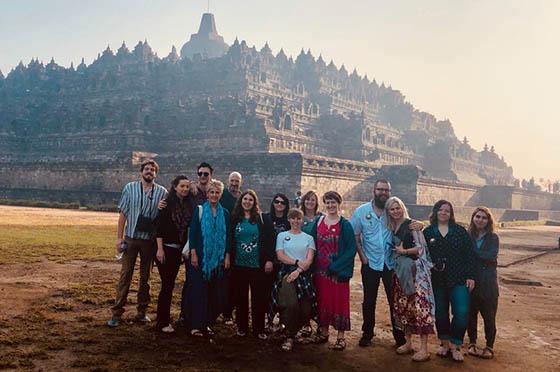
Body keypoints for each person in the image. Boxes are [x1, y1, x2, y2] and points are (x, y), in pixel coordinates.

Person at [351, 179, 422, 347]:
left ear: (389, 192)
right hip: (370, 262)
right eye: (380, 190)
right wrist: (362, 256)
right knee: (369, 300)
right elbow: (355, 235)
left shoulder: (392, 211)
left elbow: (407, 223)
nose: (383, 193)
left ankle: (399, 336)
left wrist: (420, 224)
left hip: (391, 263)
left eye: (386, 190)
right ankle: (367, 334)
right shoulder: (362, 211)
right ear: (374, 190)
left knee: (394, 301)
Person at [108, 159, 167, 327]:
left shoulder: (162, 192)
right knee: (125, 275)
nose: (149, 172)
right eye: (146, 169)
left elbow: (163, 218)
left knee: (145, 278)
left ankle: (141, 311)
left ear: (156, 173)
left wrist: (163, 207)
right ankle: (117, 312)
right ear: (141, 171)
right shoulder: (130, 188)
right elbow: (123, 214)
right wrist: (119, 238)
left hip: (149, 241)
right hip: (131, 238)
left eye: (152, 170)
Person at [423, 200, 475, 362]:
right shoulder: (428, 232)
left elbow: (469, 255)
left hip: (458, 277)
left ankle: (456, 344)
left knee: (461, 312)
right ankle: (445, 343)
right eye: (441, 210)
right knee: (440, 313)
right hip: (437, 279)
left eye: (447, 210)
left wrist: (470, 276)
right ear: (436, 212)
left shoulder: (459, 231)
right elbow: (422, 254)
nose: (443, 213)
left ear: (451, 214)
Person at [385, 197, 435, 362]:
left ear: (402, 207)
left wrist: (404, 251)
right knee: (404, 308)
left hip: (416, 275)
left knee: (420, 309)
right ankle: (408, 343)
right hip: (400, 273)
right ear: (388, 212)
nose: (395, 211)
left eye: (397, 208)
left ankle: (424, 349)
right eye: (392, 209)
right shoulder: (391, 227)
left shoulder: (412, 225)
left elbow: (421, 249)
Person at [310, 191, 356, 350]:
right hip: (320, 272)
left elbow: (351, 249)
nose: (330, 205)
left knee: (339, 302)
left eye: (333, 202)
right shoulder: (318, 221)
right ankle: (323, 332)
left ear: (338, 203)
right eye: (327, 202)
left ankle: (341, 337)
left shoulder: (345, 224)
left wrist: (335, 267)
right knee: (322, 301)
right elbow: (310, 243)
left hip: (337, 272)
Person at [184, 180, 231, 337]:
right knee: (199, 293)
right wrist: (194, 253)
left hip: (217, 260)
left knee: (216, 295)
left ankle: (207, 322)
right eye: (211, 192)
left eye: (217, 192)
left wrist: (227, 256)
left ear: (221, 194)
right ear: (207, 194)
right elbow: (193, 233)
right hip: (200, 258)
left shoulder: (225, 214)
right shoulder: (200, 211)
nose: (214, 195)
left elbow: (228, 237)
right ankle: (196, 325)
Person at [230, 190, 275, 339]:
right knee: (240, 297)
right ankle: (242, 327)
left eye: (250, 199)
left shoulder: (262, 219)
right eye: (245, 199)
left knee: (259, 298)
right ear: (241, 201)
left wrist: (269, 259)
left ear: (254, 202)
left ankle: (259, 329)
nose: (247, 202)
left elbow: (270, 240)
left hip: (257, 264)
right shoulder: (235, 218)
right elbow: (230, 240)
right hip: (239, 264)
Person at [269, 208, 316, 351]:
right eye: (293, 218)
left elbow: (309, 260)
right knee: (290, 304)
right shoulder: (282, 236)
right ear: (289, 220)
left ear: (302, 220)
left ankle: (297, 329)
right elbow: (280, 256)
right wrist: (296, 263)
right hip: (286, 272)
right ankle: (289, 336)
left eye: (299, 218)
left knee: (306, 307)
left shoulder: (308, 238)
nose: (296, 221)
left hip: (303, 274)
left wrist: (299, 270)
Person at [154, 175, 195, 333]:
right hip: (166, 248)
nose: (185, 189)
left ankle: (172, 318)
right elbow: (160, 227)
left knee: (171, 284)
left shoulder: (189, 205)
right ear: (175, 187)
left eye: (187, 186)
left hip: (179, 250)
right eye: (182, 186)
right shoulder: (167, 203)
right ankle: (162, 321)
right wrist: (159, 249)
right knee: (167, 285)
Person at [178, 162, 214, 325]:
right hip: (192, 241)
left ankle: (202, 314)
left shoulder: (214, 192)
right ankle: (185, 313)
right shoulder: (191, 191)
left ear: (211, 175)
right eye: (200, 174)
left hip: (210, 245)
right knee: (191, 280)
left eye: (206, 174)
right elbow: (177, 199)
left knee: (206, 281)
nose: (203, 177)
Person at [467, 207, 499, 360]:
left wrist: (472, 253)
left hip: (488, 284)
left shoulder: (493, 238)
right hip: (471, 282)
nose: (480, 220)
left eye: (484, 218)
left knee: (489, 317)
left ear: (488, 220)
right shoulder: (468, 236)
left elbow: (491, 256)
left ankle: (489, 346)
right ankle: (472, 343)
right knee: (470, 316)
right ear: (473, 218)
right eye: (477, 217)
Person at [263, 193, 291, 329]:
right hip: (269, 261)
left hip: (284, 262)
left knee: (282, 291)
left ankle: (282, 320)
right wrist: (268, 259)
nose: (279, 204)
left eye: (282, 202)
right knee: (267, 290)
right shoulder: (266, 218)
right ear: (273, 203)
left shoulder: (289, 221)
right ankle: (268, 319)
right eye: (277, 202)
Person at [220, 171, 243, 324]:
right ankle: (222, 310)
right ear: (228, 181)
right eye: (232, 181)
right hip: (224, 242)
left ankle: (229, 311)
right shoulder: (222, 196)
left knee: (236, 281)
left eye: (237, 181)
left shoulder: (242, 198)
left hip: (240, 244)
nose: (234, 183)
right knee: (223, 280)